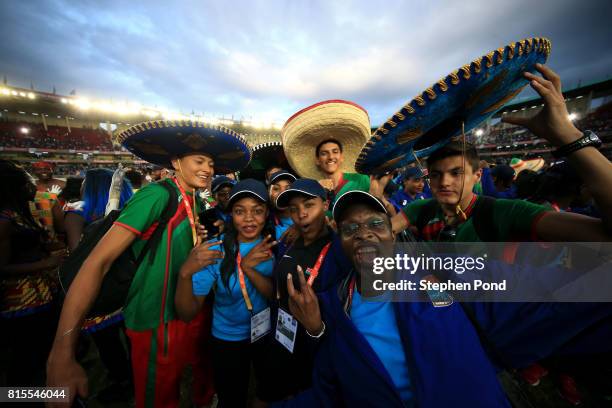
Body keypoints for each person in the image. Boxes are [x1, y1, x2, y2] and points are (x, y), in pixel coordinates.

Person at [47, 121, 252, 408]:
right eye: (199, 160)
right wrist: (62, 352)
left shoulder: (195, 201)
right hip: (154, 318)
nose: (208, 168)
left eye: (211, 162)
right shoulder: (156, 195)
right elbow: (99, 261)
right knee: (157, 397)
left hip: (187, 310)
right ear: (175, 162)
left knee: (191, 384)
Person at [277, 190, 509, 407]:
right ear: (342, 242)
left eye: (376, 224)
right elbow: (330, 381)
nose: (363, 233)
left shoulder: (434, 275)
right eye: (350, 229)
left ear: (393, 234)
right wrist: (315, 329)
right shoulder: (336, 305)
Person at [388, 65, 612, 242]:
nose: (444, 182)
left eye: (457, 172)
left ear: (478, 175)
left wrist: (568, 136)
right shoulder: (422, 208)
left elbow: (603, 235)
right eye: (435, 175)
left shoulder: (507, 213)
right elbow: (383, 234)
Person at [175, 179, 276, 408]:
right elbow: (187, 313)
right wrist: (184, 274)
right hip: (228, 337)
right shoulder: (215, 249)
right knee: (232, 396)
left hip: (264, 332)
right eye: (240, 211)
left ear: (267, 213)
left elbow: (275, 296)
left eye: (257, 211)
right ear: (230, 214)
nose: (249, 218)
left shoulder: (274, 242)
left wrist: (248, 268)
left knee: (267, 388)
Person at [259, 178, 350, 403]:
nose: (301, 214)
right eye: (294, 209)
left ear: (326, 205)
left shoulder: (340, 250)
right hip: (282, 336)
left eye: (309, 205)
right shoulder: (287, 243)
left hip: (318, 348)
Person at [0, 160, 64, 387]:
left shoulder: (18, 212)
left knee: (39, 355)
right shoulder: (5, 219)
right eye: (27, 180)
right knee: (26, 361)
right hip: (19, 302)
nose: (32, 185)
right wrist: (46, 263)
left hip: (37, 295)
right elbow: (2, 266)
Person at [281, 100, 372, 207]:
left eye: (335, 152)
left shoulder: (361, 179)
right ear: (317, 160)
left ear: (342, 157)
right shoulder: (312, 190)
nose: (331, 157)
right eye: (324, 153)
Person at [268, 170, 297, 238]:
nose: (282, 193)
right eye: (276, 188)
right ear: (269, 193)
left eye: (288, 188)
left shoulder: (307, 216)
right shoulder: (265, 224)